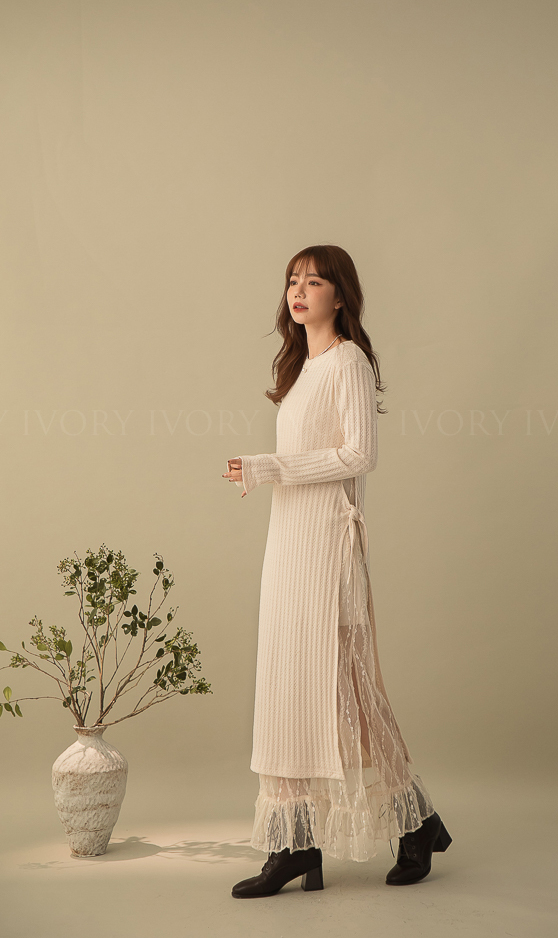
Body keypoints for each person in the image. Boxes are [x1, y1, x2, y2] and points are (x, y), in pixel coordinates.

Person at [223, 244, 452, 898]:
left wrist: (268, 466)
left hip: (328, 546)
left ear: (340, 295)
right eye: (292, 281)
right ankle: (295, 845)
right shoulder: (301, 366)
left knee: (348, 686)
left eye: (314, 281)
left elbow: (358, 455)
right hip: (289, 543)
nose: (299, 291)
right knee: (286, 685)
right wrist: (268, 469)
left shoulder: (348, 361)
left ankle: (416, 824)